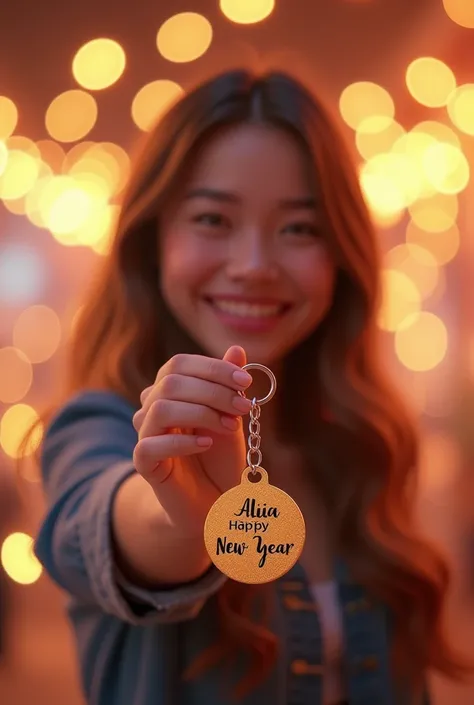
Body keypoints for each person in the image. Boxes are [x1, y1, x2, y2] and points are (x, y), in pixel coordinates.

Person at [30, 69, 467, 705]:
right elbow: (117, 524)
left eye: (299, 228)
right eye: (213, 218)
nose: (255, 266)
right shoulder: (94, 427)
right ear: (155, 242)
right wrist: (179, 510)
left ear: (341, 255)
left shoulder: (360, 444)